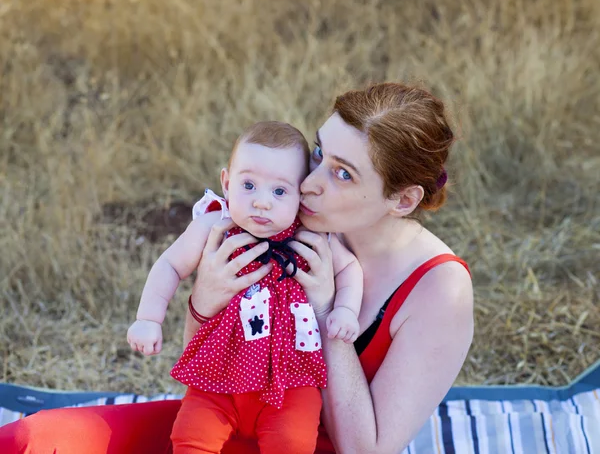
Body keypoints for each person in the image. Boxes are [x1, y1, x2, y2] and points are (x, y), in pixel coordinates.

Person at [0, 82, 474, 454]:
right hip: (220, 418)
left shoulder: (439, 289)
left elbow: (363, 448)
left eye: (342, 173)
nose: (307, 182)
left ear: (403, 198)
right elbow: (200, 370)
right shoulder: (280, 222)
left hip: (301, 443)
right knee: (31, 442)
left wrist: (326, 309)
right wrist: (206, 299)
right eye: (317, 153)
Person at [127, 121, 362, 453]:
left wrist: (346, 310)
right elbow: (169, 264)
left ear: (300, 193)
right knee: (191, 437)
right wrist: (149, 317)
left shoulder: (311, 234)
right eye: (248, 185)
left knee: (292, 442)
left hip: (290, 378)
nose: (262, 202)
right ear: (226, 182)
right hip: (218, 375)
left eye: (279, 191)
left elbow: (350, 267)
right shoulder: (216, 225)